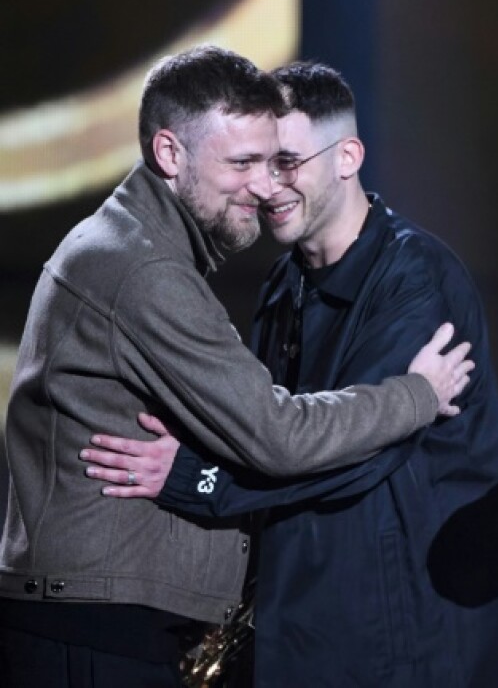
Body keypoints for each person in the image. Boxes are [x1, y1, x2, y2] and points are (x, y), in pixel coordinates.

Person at [0, 46, 472, 688]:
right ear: (170, 153)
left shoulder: (128, 246)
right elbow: (278, 435)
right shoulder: (144, 271)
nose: (264, 185)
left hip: (95, 623)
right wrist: (418, 393)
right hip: (94, 634)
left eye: (274, 162)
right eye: (242, 163)